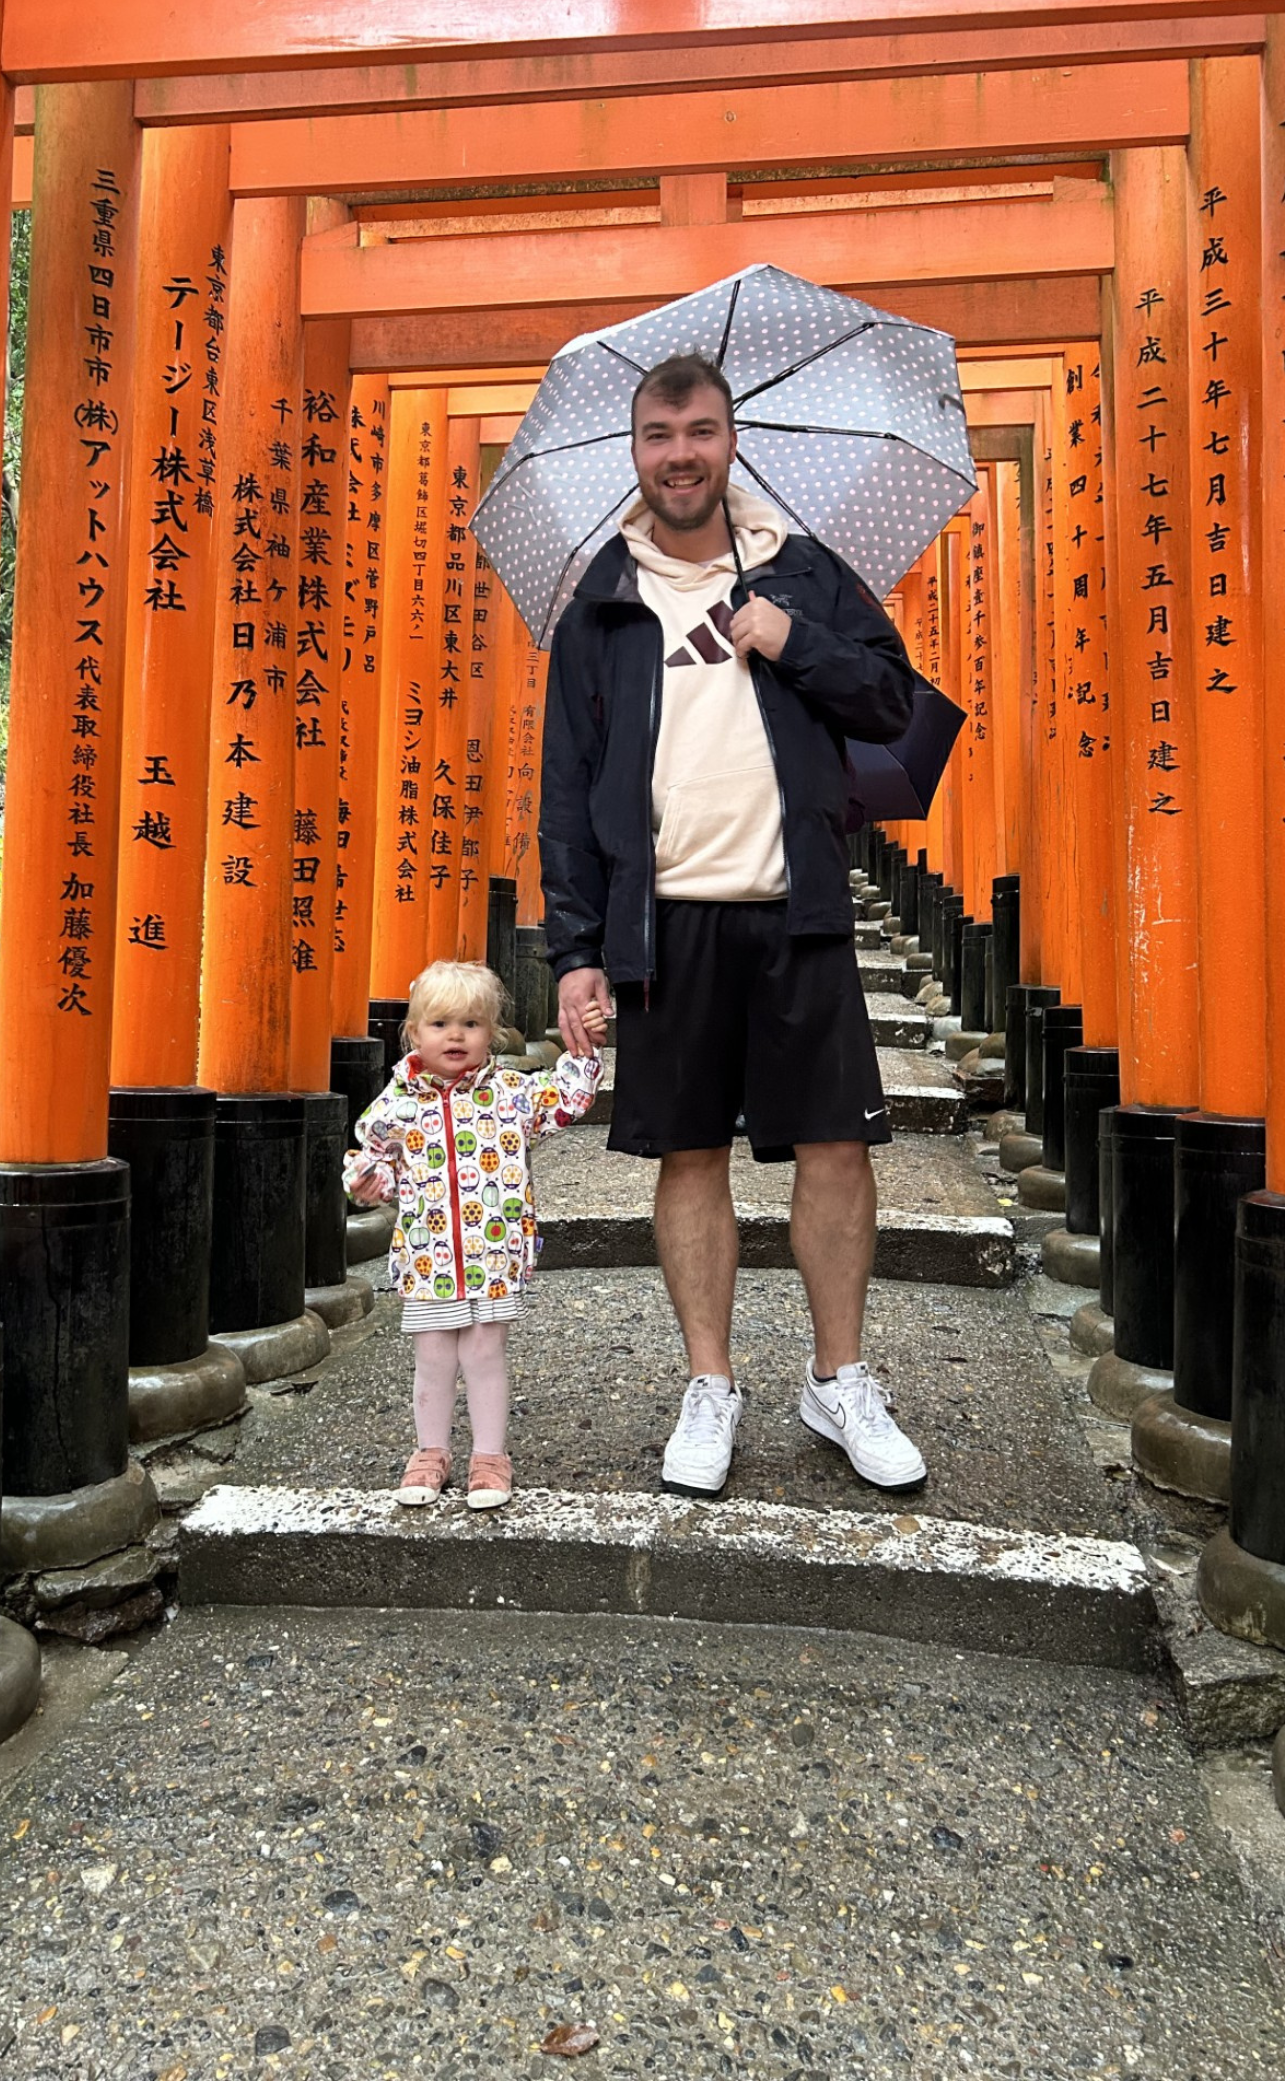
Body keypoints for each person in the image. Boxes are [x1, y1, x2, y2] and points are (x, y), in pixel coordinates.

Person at [540, 351, 928, 1502]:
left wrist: (784, 636)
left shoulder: (802, 575)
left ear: (731, 440)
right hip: (665, 924)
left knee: (837, 1148)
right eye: (658, 436)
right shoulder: (600, 605)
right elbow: (566, 789)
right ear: (633, 451)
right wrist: (572, 952)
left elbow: (893, 702)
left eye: (699, 432)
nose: (679, 455)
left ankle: (839, 1378)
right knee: (688, 1153)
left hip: (796, 908)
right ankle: (708, 1382)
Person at [345, 960, 604, 1510]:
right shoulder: (398, 1104)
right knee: (434, 1357)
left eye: (471, 1024)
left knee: (487, 1352)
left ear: (492, 1032)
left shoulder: (512, 1092)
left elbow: (565, 1100)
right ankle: (429, 1452)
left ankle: (489, 1457)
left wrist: (583, 1050)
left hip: (495, 1251)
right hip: (427, 1255)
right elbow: (378, 1162)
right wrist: (370, 1181)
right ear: (413, 1033)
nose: (456, 1035)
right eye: (440, 1024)